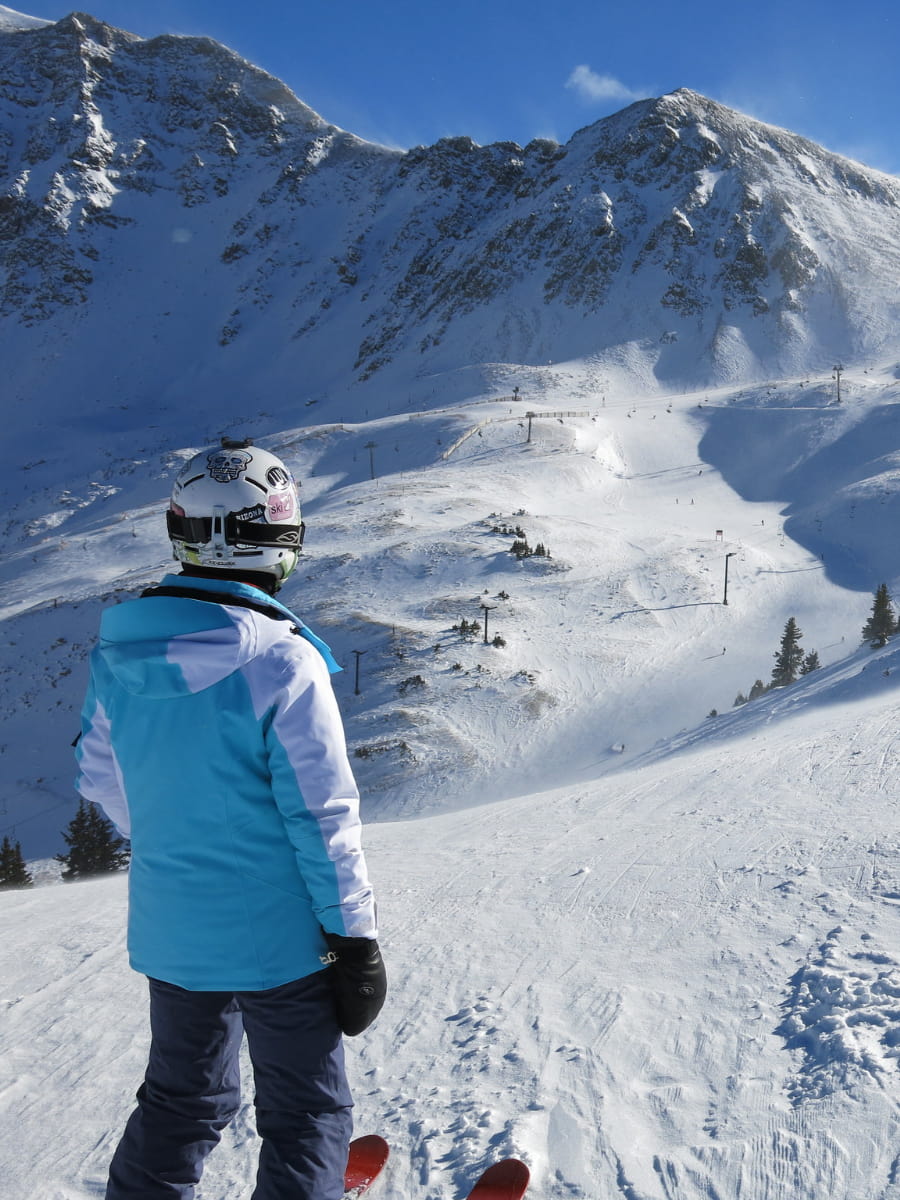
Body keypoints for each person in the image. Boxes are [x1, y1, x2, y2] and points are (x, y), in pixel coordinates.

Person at [74, 439, 386, 1200]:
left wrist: (178, 846)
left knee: (181, 1103)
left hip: (173, 932)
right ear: (282, 536)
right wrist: (355, 938)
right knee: (306, 1112)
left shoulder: (120, 656)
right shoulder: (281, 662)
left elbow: (101, 778)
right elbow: (322, 818)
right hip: (281, 946)